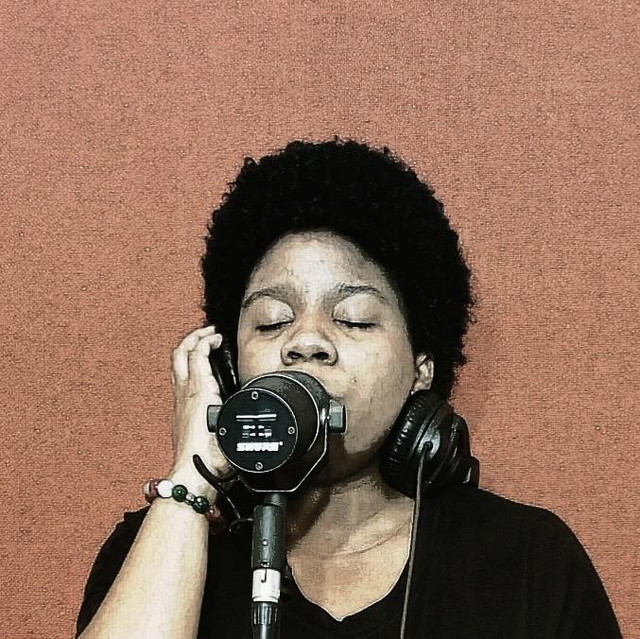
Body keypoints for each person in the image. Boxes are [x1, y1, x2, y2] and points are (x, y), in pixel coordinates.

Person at [75, 138, 621, 639]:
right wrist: (188, 490)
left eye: (354, 319)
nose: (306, 341)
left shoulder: (528, 560)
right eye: (271, 321)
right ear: (229, 369)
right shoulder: (155, 548)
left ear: (421, 368)